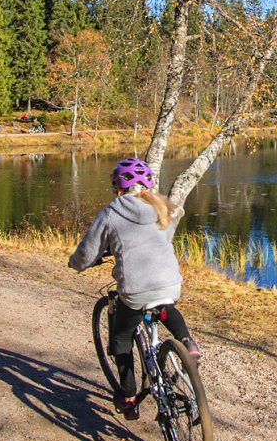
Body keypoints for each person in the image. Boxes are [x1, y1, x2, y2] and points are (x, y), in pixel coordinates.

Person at [68, 157, 201, 420]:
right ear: (147, 185)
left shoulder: (112, 212)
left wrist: (77, 263)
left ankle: (128, 396)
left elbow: (88, 251)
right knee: (165, 304)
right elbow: (164, 237)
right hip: (170, 282)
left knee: (121, 338)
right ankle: (186, 341)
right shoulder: (162, 207)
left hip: (136, 289)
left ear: (118, 188)